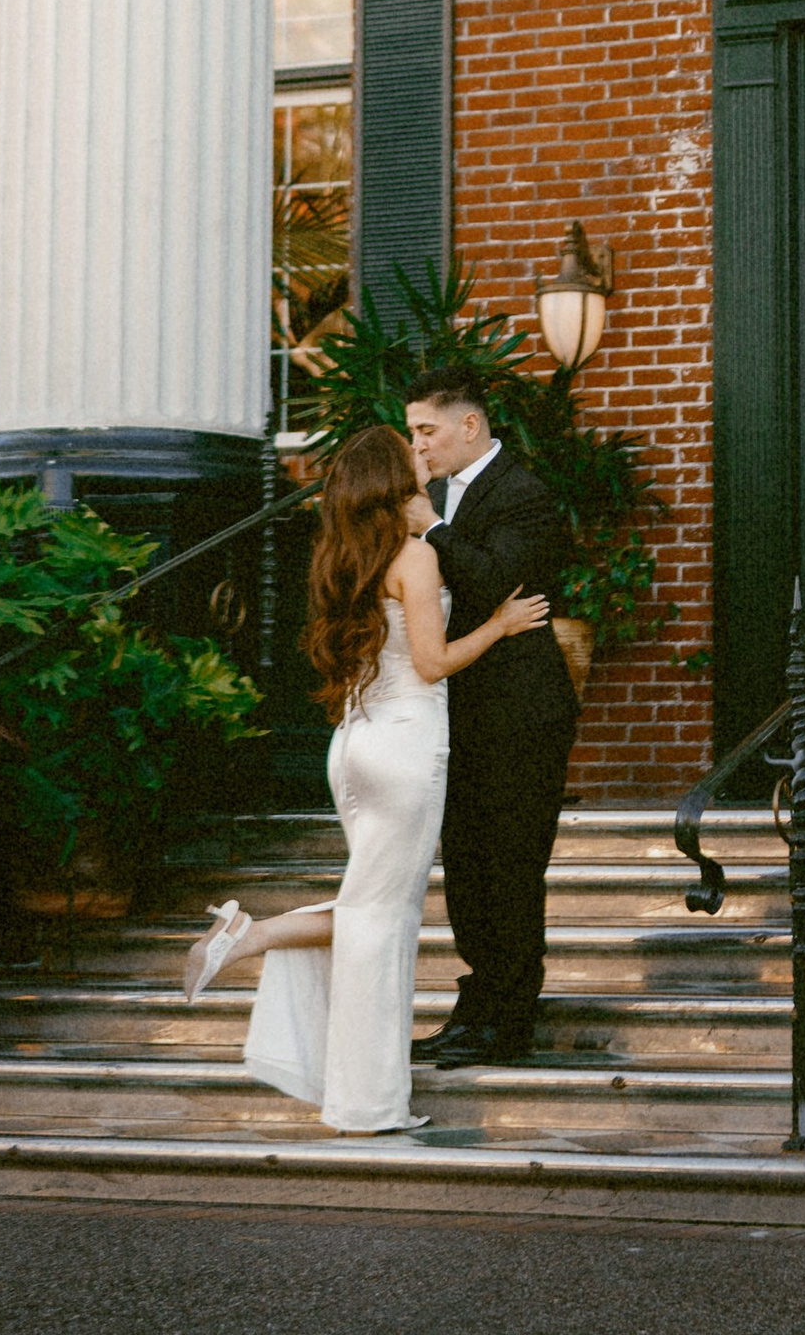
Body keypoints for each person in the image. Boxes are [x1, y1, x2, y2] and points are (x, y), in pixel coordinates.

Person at [177, 422, 548, 1135]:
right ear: (390, 477)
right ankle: (368, 1102)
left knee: (368, 909)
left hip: (352, 745)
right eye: (409, 450)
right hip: (408, 746)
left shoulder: (341, 557)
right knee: (384, 921)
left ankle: (252, 942)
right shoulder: (414, 559)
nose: (422, 452)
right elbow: (433, 664)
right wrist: (500, 625)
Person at [405, 367, 579, 1065]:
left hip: (523, 712)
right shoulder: (444, 493)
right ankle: (475, 1008)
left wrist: (435, 529)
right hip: (464, 711)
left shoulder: (525, 493)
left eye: (427, 431)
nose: (419, 447)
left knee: (510, 867)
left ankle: (510, 1025)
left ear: (468, 426)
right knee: (470, 869)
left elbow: (489, 581)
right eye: (414, 433)